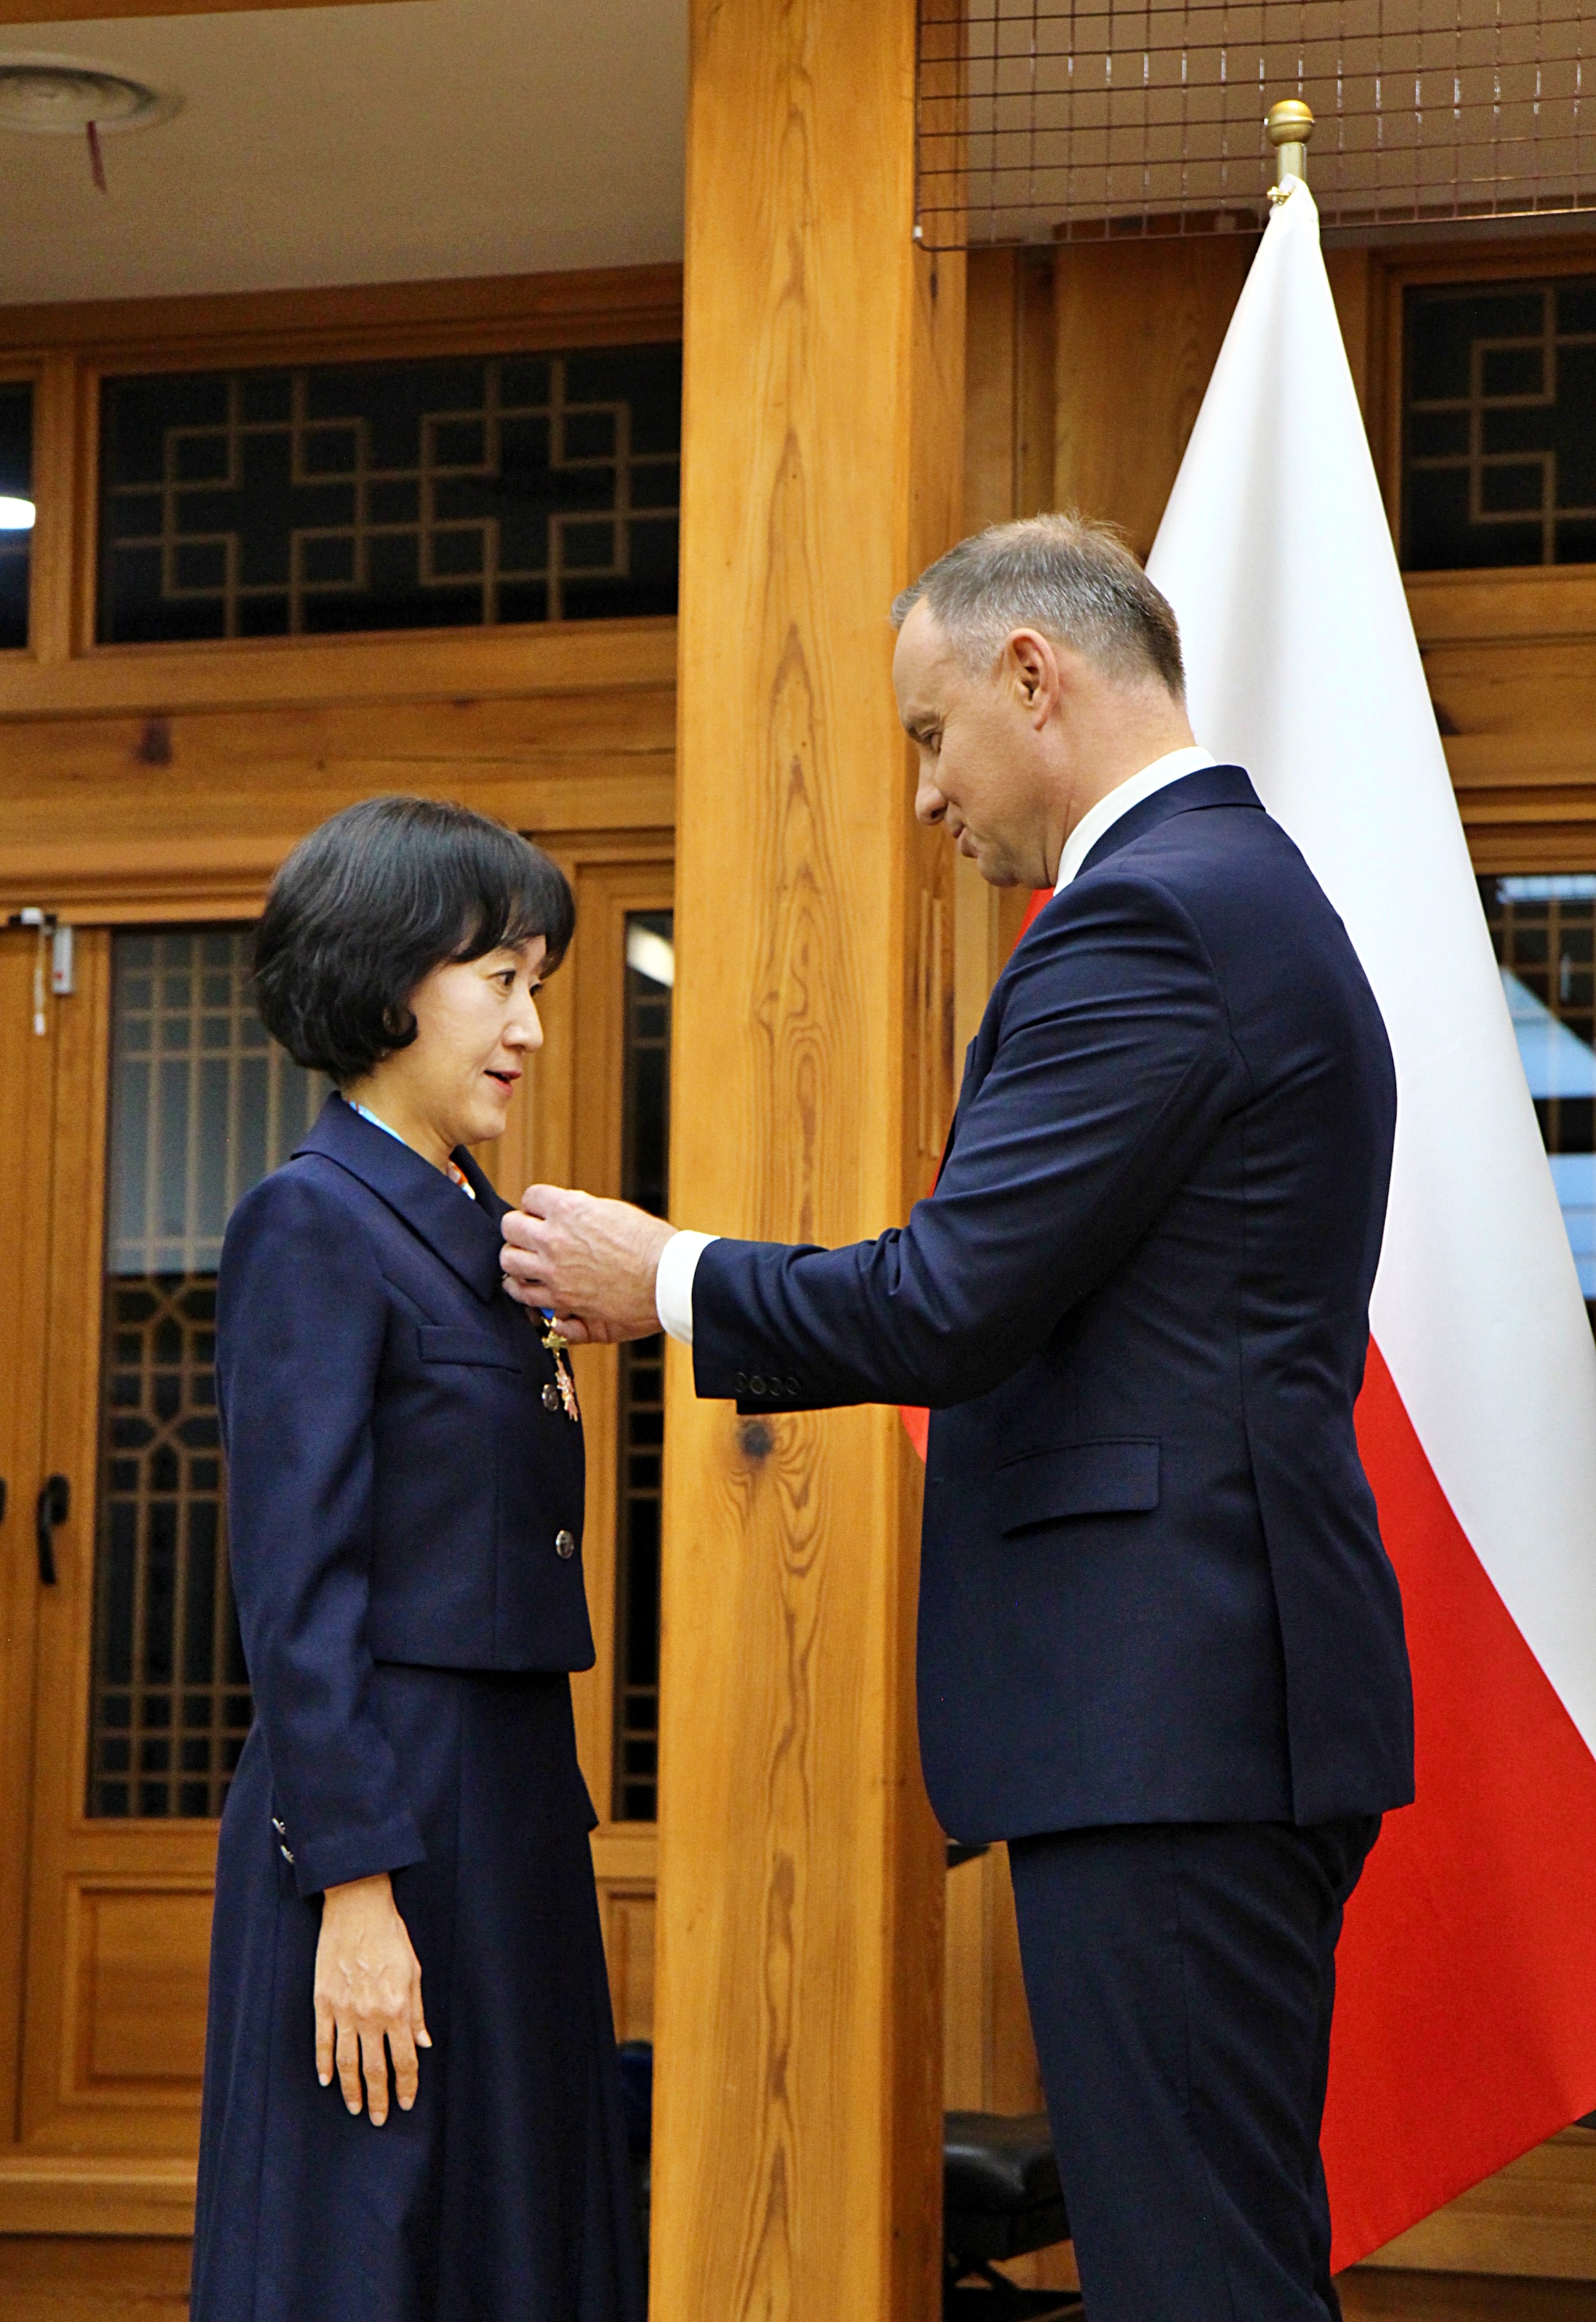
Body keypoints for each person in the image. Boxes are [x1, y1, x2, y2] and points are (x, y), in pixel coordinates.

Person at [496, 516, 1416, 2322]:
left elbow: (951, 1297)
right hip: (1210, 1708)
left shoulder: (1149, 913)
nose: (925, 794)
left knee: (1197, 2280)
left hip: (1179, 1716)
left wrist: (665, 1274)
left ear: (1032, 674)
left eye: (929, 734)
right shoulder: (1239, 887)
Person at [192, 796, 642, 2322]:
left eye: (538, 986)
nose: (528, 1024)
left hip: (510, 1800)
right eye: (498, 979)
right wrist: (356, 1888)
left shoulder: (483, 1228)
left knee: (522, 2239)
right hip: (384, 1808)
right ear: (390, 984)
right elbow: (298, 1593)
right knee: (370, 2245)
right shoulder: (313, 1221)